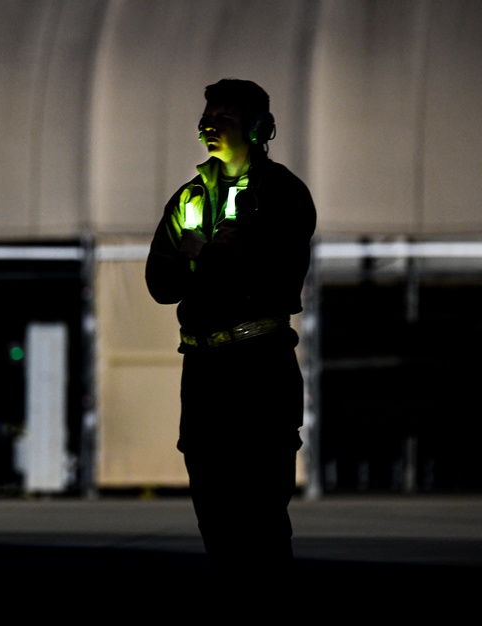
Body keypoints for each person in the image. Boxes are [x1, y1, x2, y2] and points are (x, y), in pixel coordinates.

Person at [145, 79, 316, 585]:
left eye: (225, 118)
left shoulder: (283, 194)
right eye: (208, 116)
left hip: (259, 366)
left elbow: (274, 278)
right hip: (202, 372)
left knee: (262, 514)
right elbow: (160, 282)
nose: (209, 126)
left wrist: (203, 257)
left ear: (259, 130)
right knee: (214, 513)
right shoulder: (188, 198)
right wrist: (216, 258)